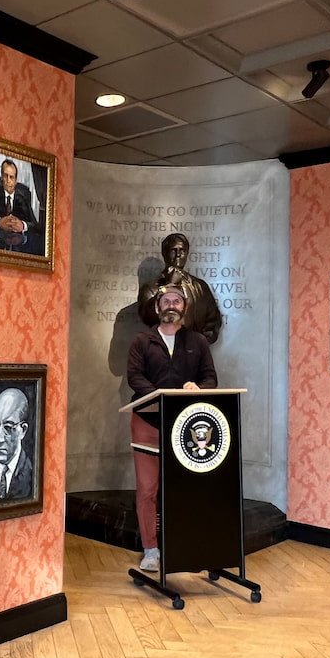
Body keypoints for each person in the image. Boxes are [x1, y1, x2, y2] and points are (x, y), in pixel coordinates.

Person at [125, 284, 217, 572]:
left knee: (182, 487)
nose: (171, 305)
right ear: (157, 308)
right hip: (148, 421)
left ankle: (183, 544)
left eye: (176, 301)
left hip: (186, 425)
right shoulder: (142, 341)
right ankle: (151, 550)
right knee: (148, 489)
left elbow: (210, 378)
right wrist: (157, 395)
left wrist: (197, 387)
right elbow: (134, 376)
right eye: (166, 301)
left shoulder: (197, 341)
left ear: (184, 308)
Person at [138, 233, 223, 344]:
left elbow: (213, 320)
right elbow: (148, 317)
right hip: (162, 354)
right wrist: (170, 285)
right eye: (173, 250)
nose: (178, 254)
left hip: (193, 354)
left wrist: (200, 343)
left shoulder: (200, 287)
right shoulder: (150, 289)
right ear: (165, 254)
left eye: (182, 250)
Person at [0, 159, 39, 236]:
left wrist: (23, 225)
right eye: (6, 176)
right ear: (2, 177)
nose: (8, 181)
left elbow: (34, 224)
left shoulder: (24, 195)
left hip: (18, 242)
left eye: (11, 177)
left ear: (16, 180)